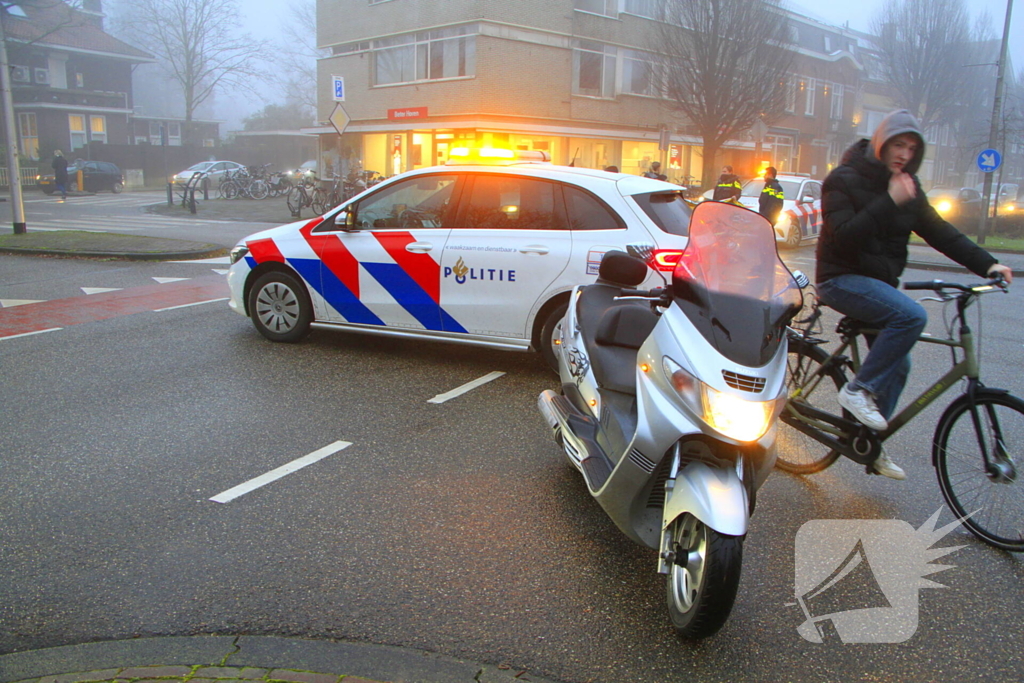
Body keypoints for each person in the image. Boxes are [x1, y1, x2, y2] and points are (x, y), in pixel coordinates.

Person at [816, 109, 1013, 480]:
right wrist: (888, 200)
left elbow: (939, 231)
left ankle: (867, 441)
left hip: (878, 287)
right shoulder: (843, 179)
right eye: (897, 144)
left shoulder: (909, 187)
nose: (903, 154)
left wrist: (987, 264)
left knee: (899, 364)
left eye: (911, 147)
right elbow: (842, 236)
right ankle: (857, 391)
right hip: (839, 279)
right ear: (881, 143)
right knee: (910, 315)